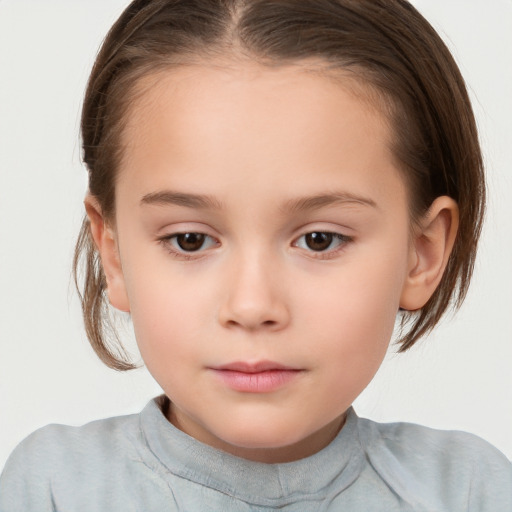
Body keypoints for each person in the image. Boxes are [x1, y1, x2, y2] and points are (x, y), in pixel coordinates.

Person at [1, 0, 510, 509]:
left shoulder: (468, 491)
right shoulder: (53, 489)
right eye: (190, 240)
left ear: (421, 252)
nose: (252, 306)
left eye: (319, 239)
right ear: (113, 254)